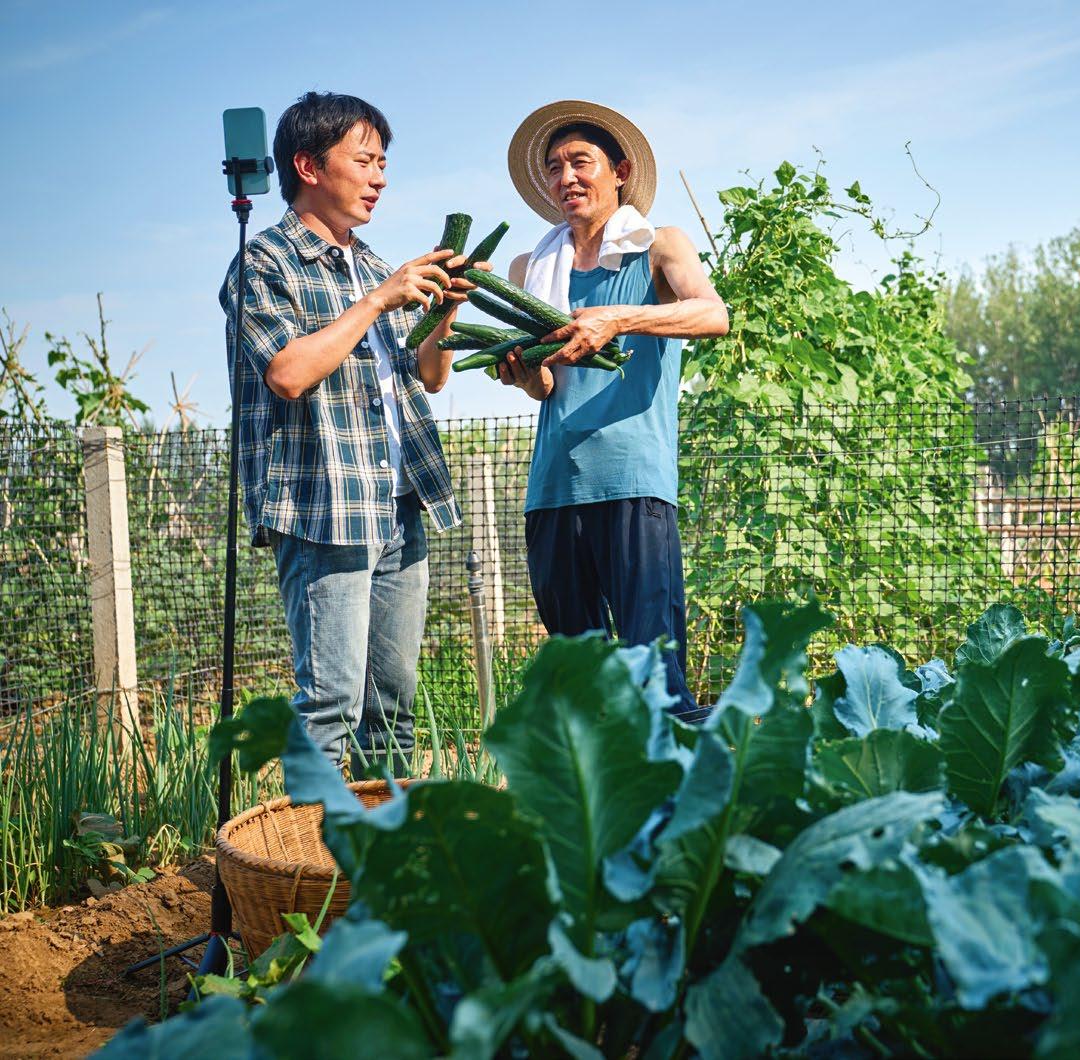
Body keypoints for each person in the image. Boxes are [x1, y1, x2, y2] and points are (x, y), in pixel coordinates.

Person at [219, 91, 485, 771]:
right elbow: (288, 373)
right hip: (325, 509)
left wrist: (446, 310)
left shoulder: (372, 265)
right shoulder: (263, 264)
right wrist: (377, 301)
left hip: (399, 503)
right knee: (330, 705)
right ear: (308, 166)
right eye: (364, 161)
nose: (379, 178)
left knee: (392, 708)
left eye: (383, 164)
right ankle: (313, 839)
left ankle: (383, 833)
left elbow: (429, 375)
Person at [495, 101, 728, 717]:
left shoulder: (658, 246)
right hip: (553, 489)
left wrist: (618, 319)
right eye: (554, 167)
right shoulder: (530, 268)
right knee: (584, 689)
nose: (565, 177)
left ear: (620, 171)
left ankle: (695, 773)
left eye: (581, 162)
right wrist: (524, 375)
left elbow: (714, 314)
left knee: (657, 682)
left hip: (632, 481)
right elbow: (546, 387)